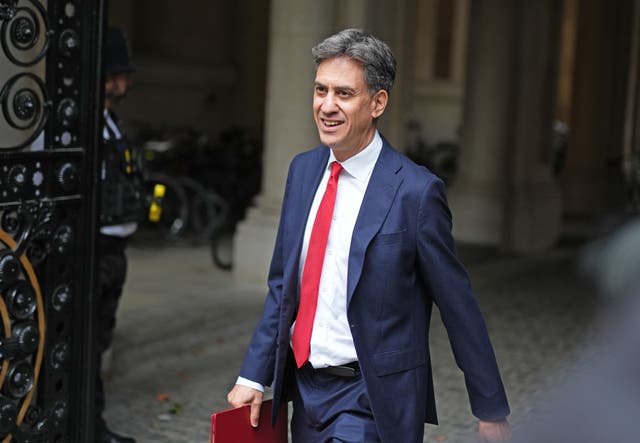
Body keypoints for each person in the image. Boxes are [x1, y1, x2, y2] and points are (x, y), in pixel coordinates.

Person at [227, 28, 511, 442]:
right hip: (304, 393)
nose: (326, 106)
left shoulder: (416, 192)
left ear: (378, 103)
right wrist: (253, 375)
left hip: (371, 398)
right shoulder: (303, 172)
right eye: (320, 90)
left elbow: (457, 304)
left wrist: (489, 407)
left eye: (344, 94)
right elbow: (282, 287)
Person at [94, 27, 142, 443]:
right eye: (119, 74)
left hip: (115, 247)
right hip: (93, 248)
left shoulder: (108, 120)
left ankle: (91, 422)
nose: (125, 83)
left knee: (100, 336)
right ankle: (87, 424)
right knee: (86, 340)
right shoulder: (78, 123)